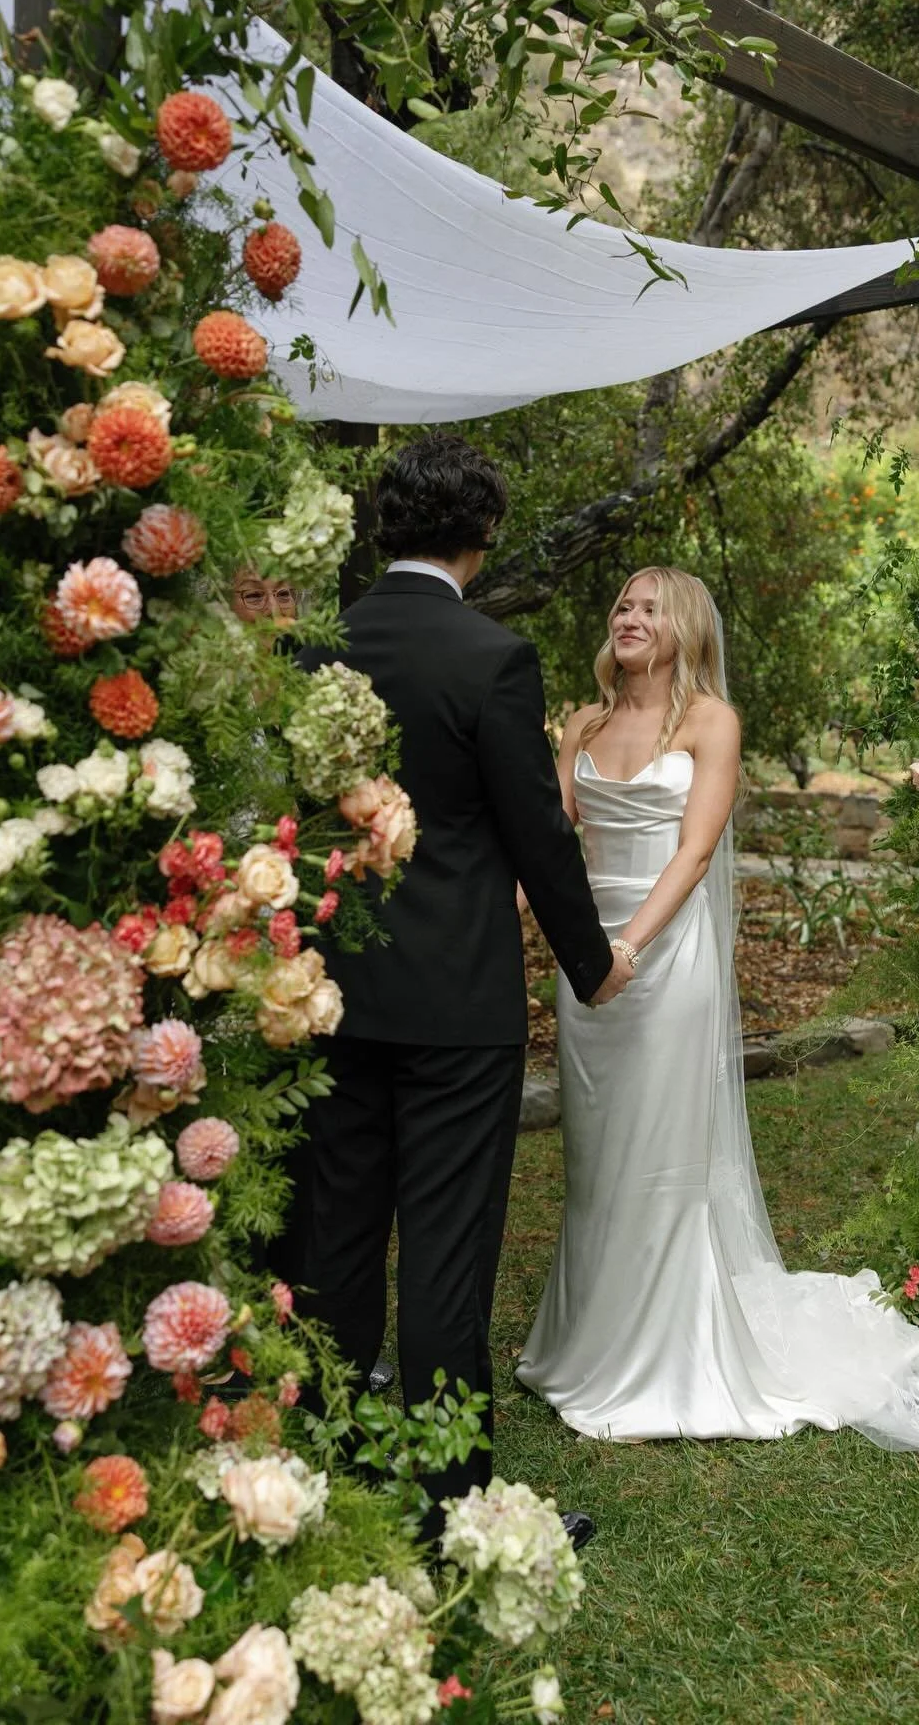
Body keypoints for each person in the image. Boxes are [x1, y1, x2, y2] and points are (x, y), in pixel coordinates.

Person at [517, 567, 919, 1453]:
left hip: (662, 958)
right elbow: (547, 844)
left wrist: (626, 950)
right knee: (597, 1157)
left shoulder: (709, 723)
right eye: (621, 603)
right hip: (588, 965)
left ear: (686, 627)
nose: (629, 616)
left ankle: (664, 1357)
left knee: (658, 1157)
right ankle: (587, 1341)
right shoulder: (579, 725)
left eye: (650, 608)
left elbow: (695, 854)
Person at [291, 434, 634, 1528]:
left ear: (384, 527)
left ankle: (322, 1478)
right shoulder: (493, 658)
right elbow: (537, 835)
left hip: (326, 993)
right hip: (454, 1007)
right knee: (442, 1256)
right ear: (481, 537)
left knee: (334, 1241)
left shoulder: (313, 650)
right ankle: (453, 1508)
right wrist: (593, 964)